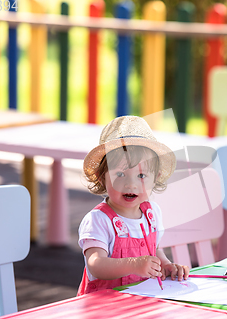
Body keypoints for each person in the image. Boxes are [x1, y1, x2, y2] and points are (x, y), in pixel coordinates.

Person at [77, 116, 189, 295]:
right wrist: (134, 264)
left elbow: (154, 250)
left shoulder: (152, 214)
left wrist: (166, 265)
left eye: (142, 176)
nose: (131, 184)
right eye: (120, 174)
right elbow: (96, 264)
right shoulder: (98, 219)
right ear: (101, 177)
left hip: (140, 300)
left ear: (156, 177)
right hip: (102, 306)